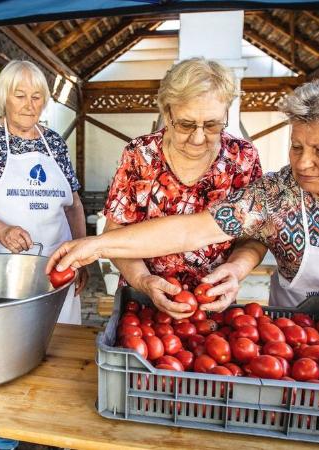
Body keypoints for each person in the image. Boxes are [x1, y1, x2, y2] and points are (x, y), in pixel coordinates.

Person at [48, 74, 319, 352]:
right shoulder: (279, 191)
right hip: (298, 343)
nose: (303, 163)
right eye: (296, 146)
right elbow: (194, 230)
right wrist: (98, 243)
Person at [102, 57, 266, 319]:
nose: (198, 138)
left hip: (212, 304)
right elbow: (114, 234)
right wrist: (144, 280)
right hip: (144, 302)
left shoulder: (242, 158)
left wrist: (235, 270)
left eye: (212, 125)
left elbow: (255, 236)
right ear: (167, 113)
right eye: (186, 124)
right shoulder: (139, 155)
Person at [0, 60, 87, 325]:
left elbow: (74, 206)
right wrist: (1, 231)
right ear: (4, 97)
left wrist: (82, 257)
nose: (29, 105)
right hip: (1, 273)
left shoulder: (55, 143)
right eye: (20, 96)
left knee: (62, 345)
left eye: (37, 97)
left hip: (57, 270)